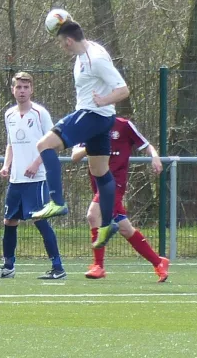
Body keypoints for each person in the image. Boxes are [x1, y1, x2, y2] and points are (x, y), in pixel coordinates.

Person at [31, 19, 130, 250]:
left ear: (68, 41)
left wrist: (104, 100)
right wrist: (62, 20)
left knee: (44, 145)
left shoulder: (95, 59)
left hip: (92, 114)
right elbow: (71, 27)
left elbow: (123, 89)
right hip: (102, 119)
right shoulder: (87, 49)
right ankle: (107, 225)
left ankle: (57, 202)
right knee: (100, 172)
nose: (62, 48)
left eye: (61, 43)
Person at [0, 72, 66, 280]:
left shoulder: (40, 113)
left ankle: (58, 267)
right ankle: (8, 266)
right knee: (9, 220)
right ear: (13, 89)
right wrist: (6, 165)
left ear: (31, 89)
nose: (22, 91)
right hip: (16, 179)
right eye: (18, 87)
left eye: (25, 87)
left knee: (40, 220)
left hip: (37, 178)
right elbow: (10, 143)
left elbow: (54, 142)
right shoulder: (9, 114)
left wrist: (36, 163)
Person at [71, 117, 170, 282]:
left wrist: (155, 157)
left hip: (114, 183)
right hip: (97, 182)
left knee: (92, 215)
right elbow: (74, 156)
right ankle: (159, 262)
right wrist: (93, 144)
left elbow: (147, 145)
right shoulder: (87, 126)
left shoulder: (123, 125)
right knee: (125, 228)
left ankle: (98, 265)